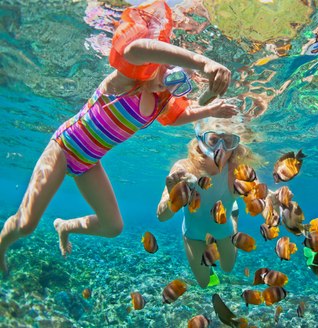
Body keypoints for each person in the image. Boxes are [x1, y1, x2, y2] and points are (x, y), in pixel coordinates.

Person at [0, 1, 238, 275]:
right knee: (26, 223)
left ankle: (64, 226)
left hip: (89, 163)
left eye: (176, 79)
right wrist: (203, 62)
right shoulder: (125, 81)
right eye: (166, 68)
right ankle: (1, 244)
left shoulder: (160, 102)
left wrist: (210, 109)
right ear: (159, 60)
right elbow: (134, 49)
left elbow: (178, 117)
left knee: (113, 227)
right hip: (64, 149)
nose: (168, 78)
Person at [156, 117, 260, 288]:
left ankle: (233, 217)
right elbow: (161, 216)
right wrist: (173, 198)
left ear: (235, 147)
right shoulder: (184, 168)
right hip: (193, 233)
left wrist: (273, 200)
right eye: (213, 140)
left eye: (228, 142)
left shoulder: (236, 170)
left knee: (228, 268)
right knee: (204, 283)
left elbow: (259, 194)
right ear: (201, 140)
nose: (220, 148)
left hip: (223, 227)